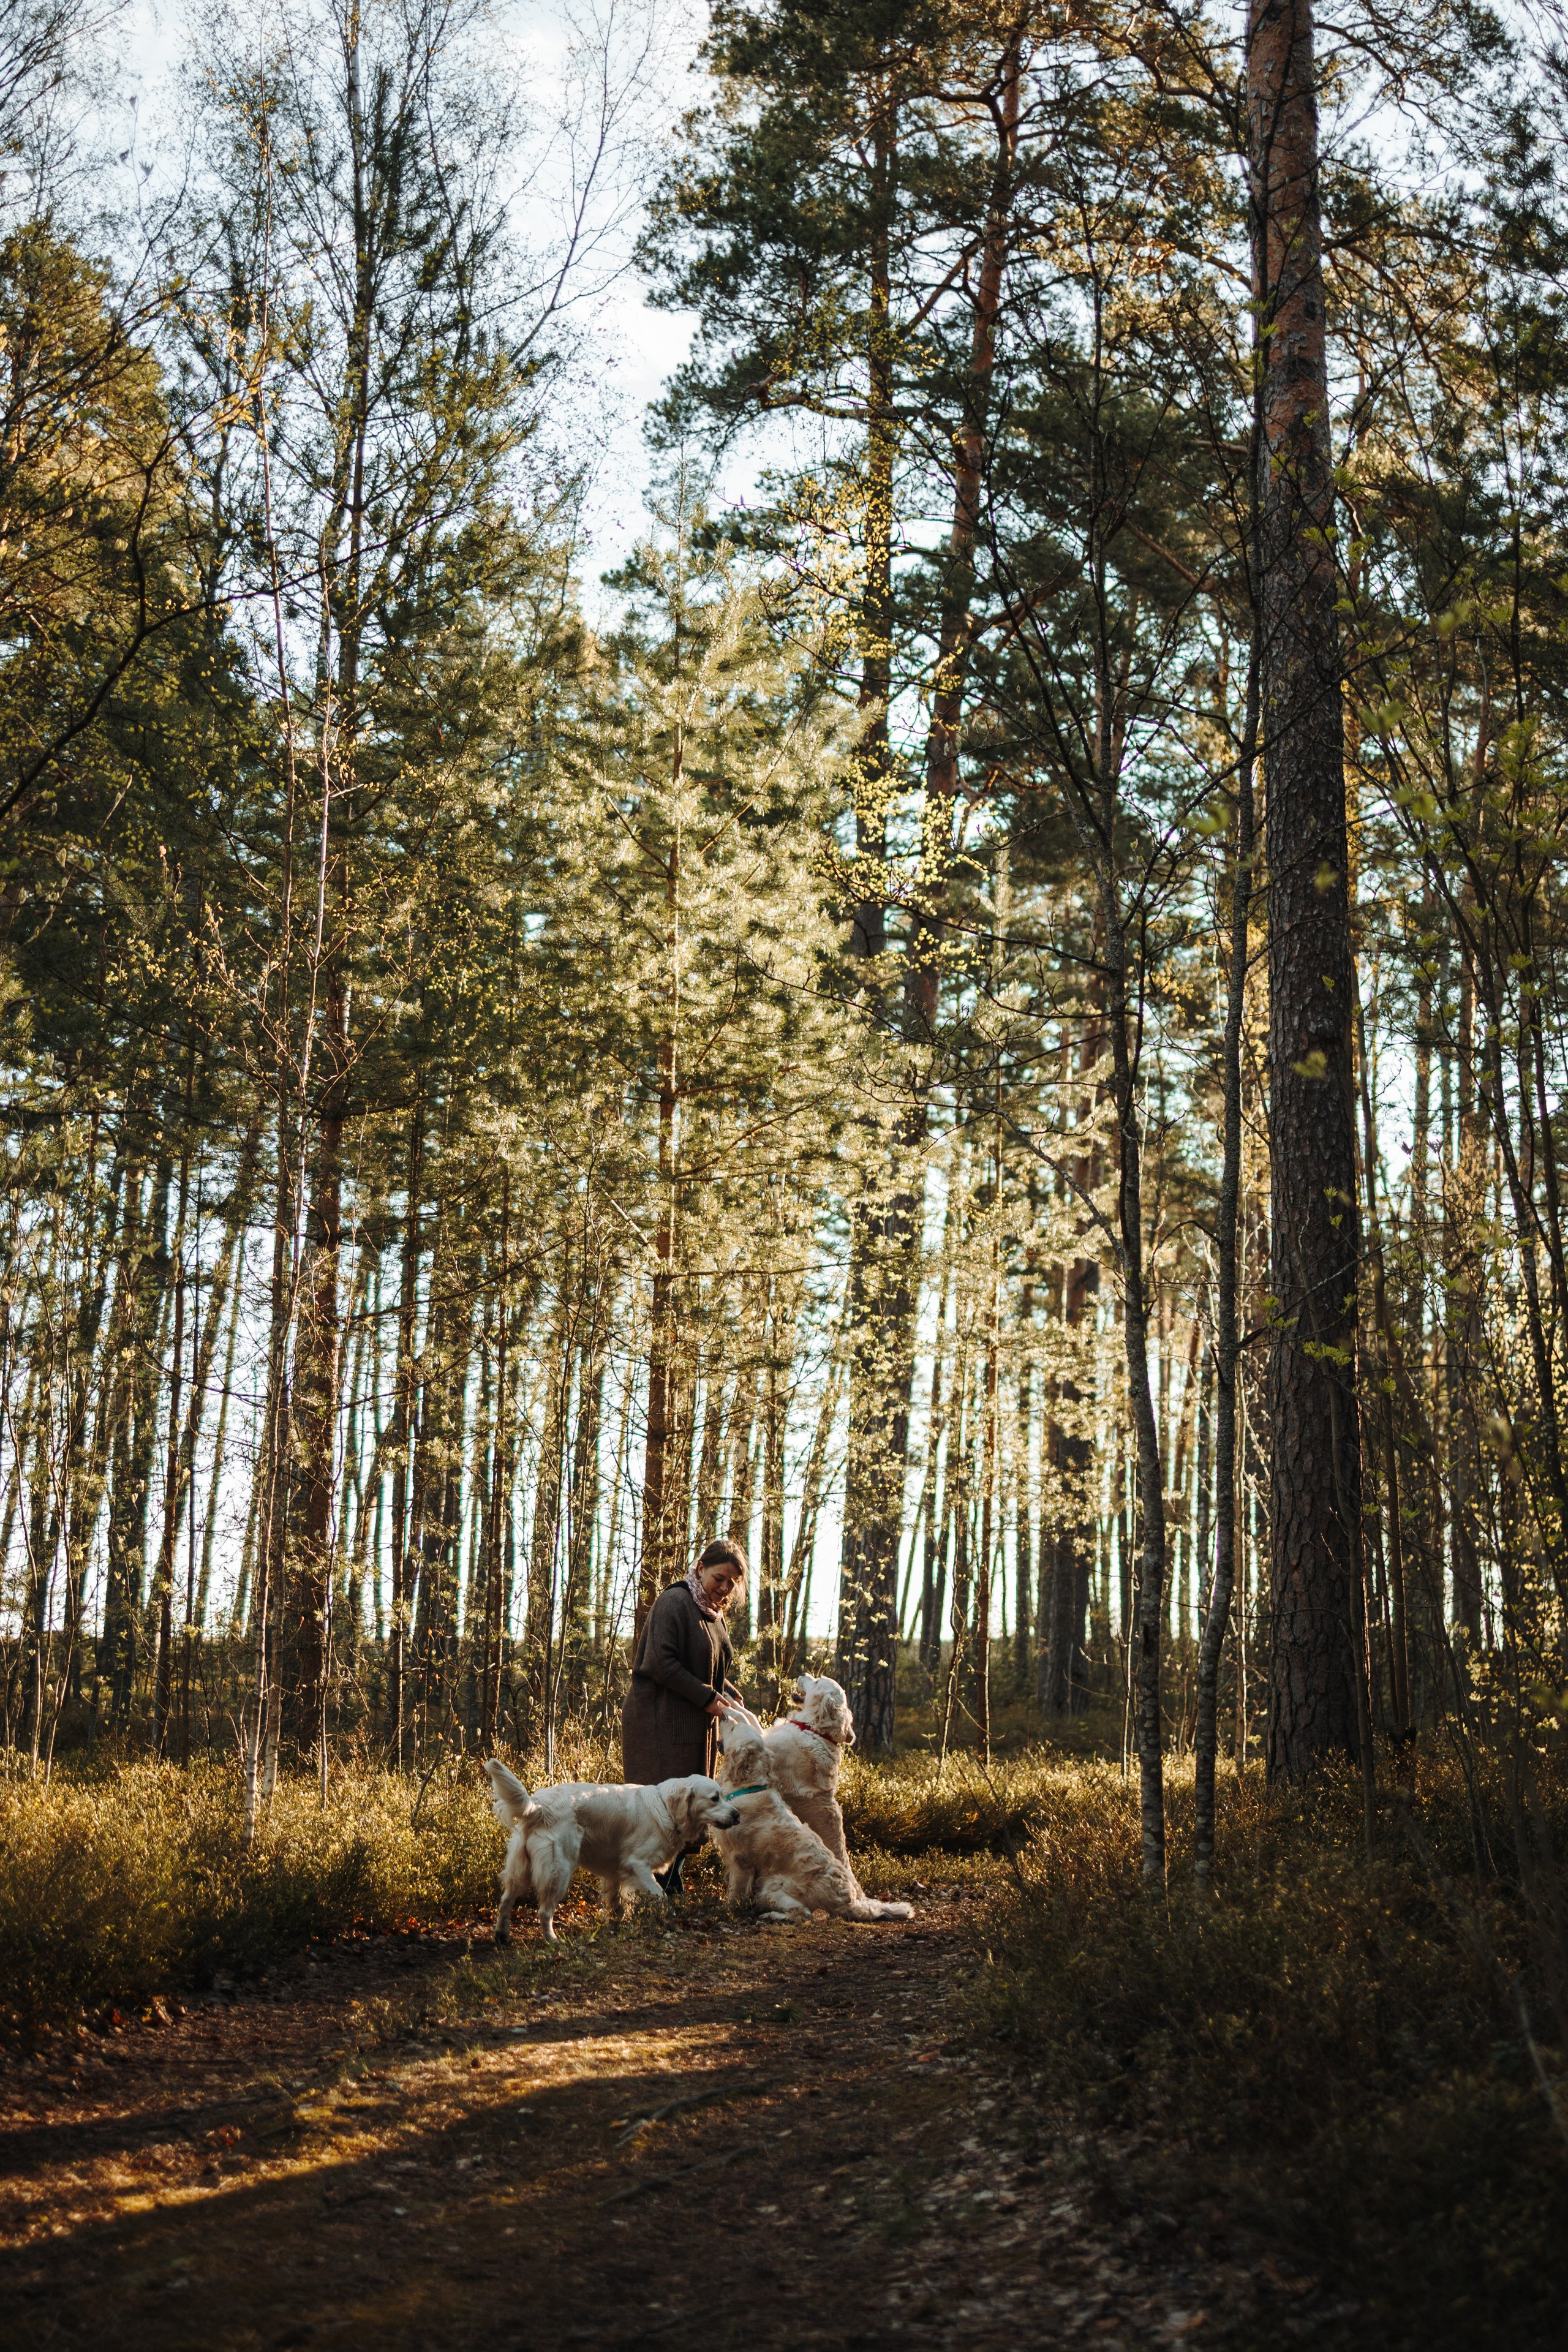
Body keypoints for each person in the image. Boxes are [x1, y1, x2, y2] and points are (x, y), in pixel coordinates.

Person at [621, 1536, 746, 1894]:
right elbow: (660, 1662)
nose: (724, 1588)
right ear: (700, 1567)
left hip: (692, 1724)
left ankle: (669, 1887)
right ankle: (650, 1889)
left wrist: (729, 1694)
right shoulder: (675, 1602)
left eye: (731, 1583)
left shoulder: (713, 1614)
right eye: (719, 1578)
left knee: (691, 1807)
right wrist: (707, 1697)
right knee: (663, 1809)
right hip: (658, 1724)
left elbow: (707, 1668)